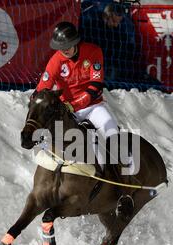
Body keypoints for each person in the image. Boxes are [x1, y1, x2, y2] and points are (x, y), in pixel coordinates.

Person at [33, 21, 135, 215]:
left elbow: (95, 85)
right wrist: (37, 101)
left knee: (112, 133)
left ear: (76, 42)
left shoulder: (93, 52)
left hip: (93, 107)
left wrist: (75, 104)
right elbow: (42, 87)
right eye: (60, 48)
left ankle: (125, 191)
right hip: (67, 111)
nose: (64, 51)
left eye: (67, 47)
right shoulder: (56, 60)